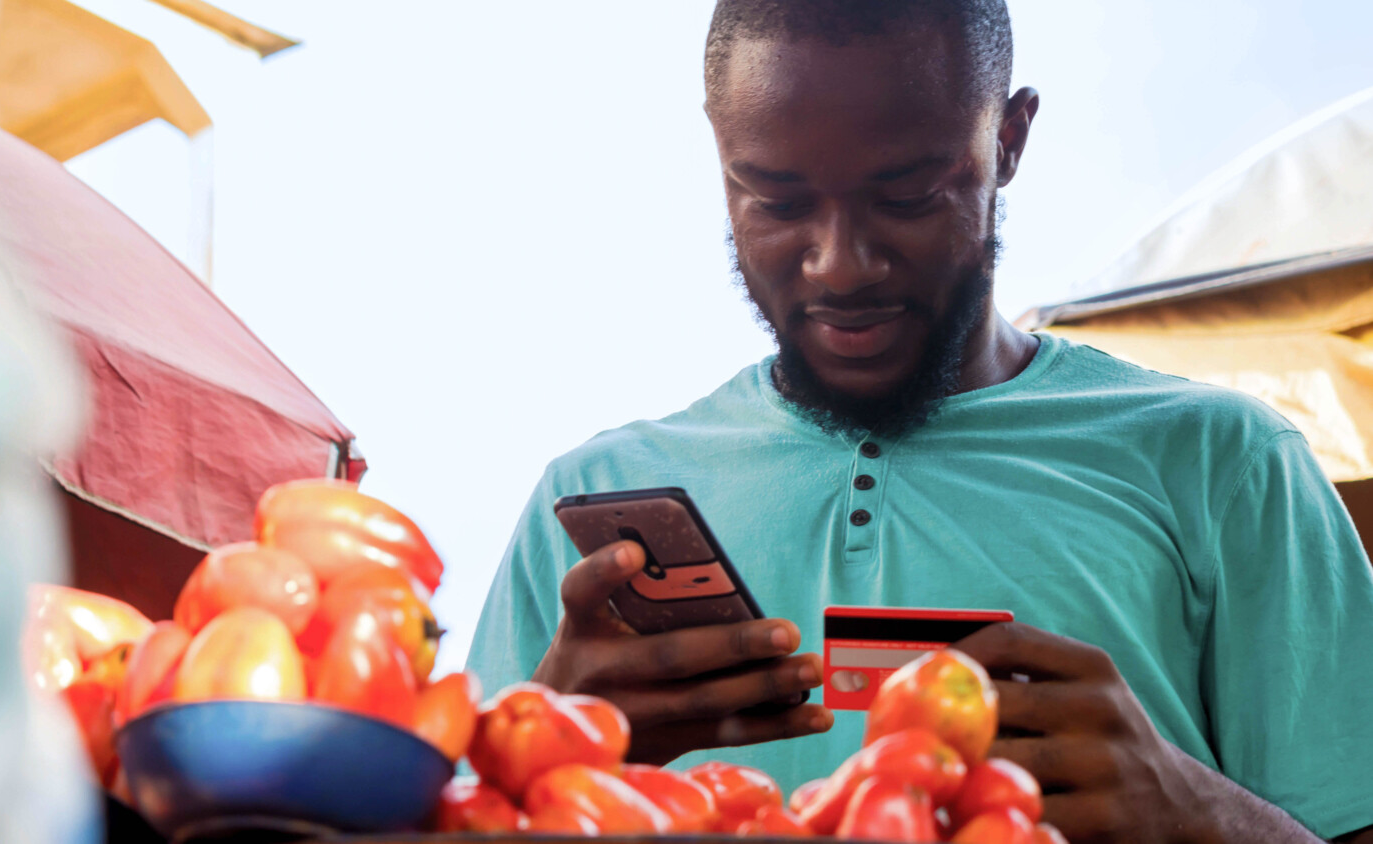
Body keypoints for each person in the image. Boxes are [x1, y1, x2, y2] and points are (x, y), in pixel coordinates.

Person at [466, 1, 1373, 841]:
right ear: (720, 152)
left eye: (906, 197)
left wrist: (1197, 811)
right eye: (777, 201)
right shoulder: (591, 499)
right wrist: (530, 751)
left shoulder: (1223, 463)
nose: (839, 265)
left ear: (1009, 139)